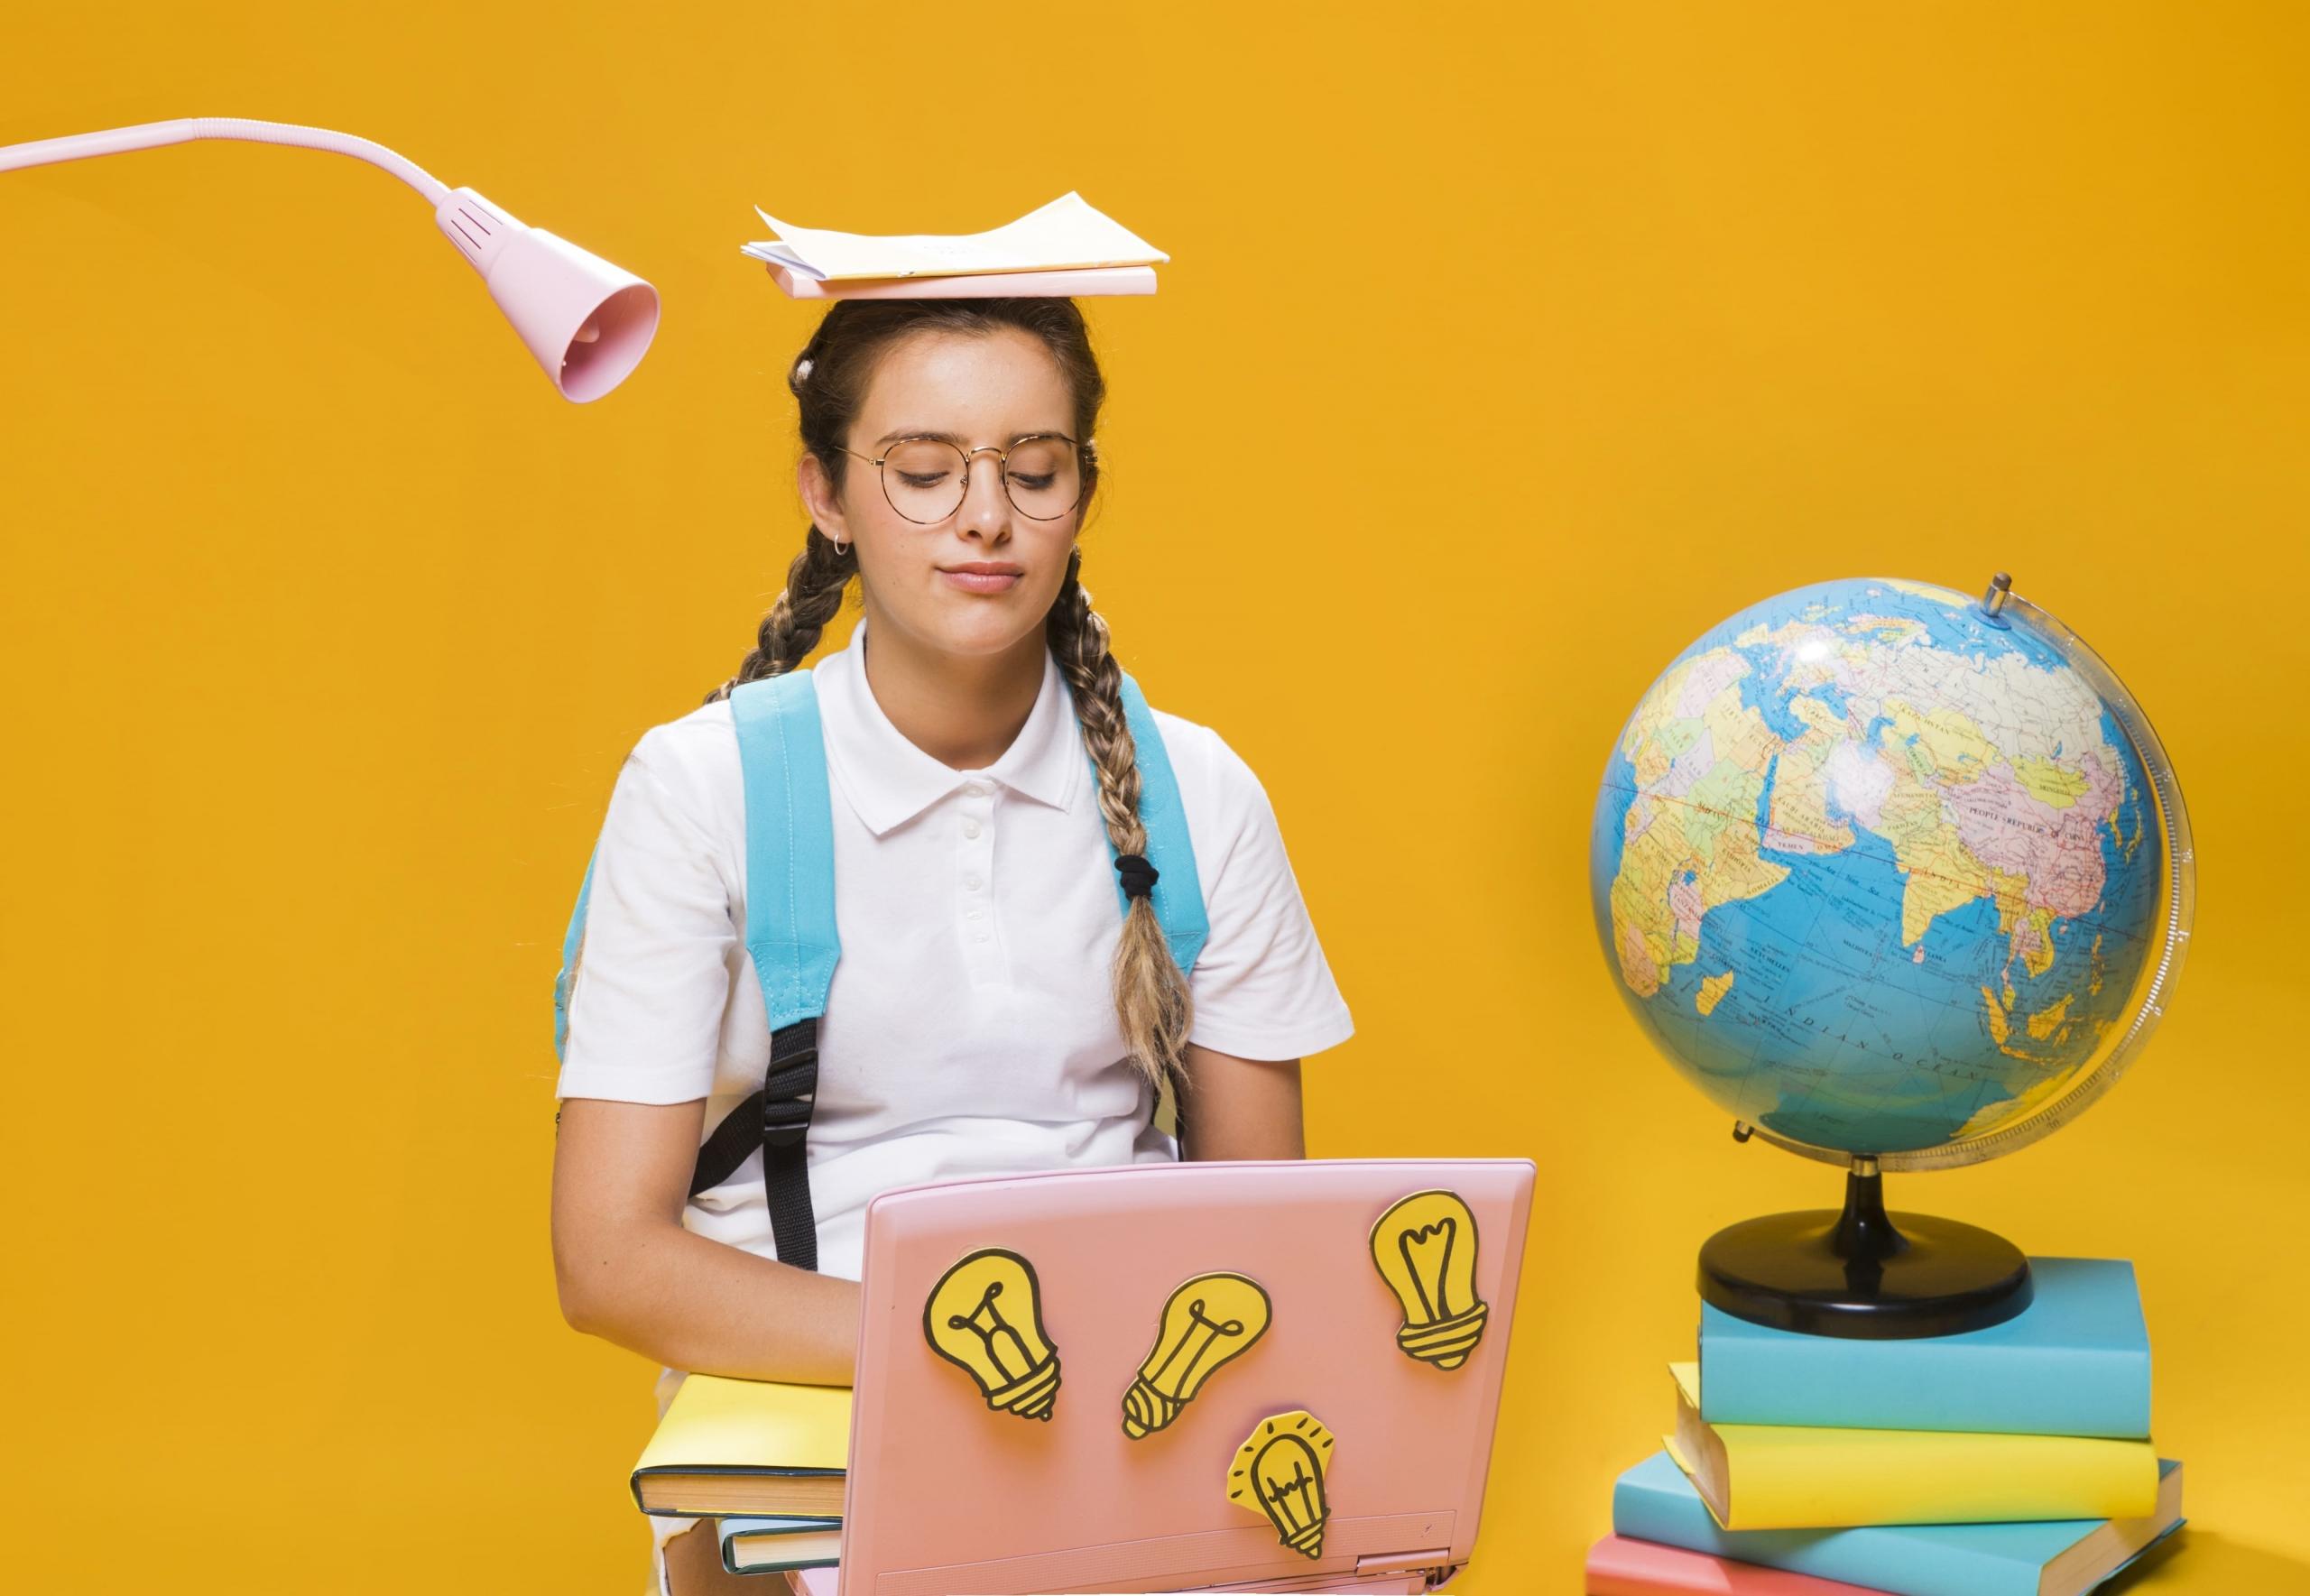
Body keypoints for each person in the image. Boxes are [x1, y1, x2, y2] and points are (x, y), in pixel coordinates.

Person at [547, 295, 1354, 1596]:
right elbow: (607, 1258)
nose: (985, 516)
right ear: (826, 491)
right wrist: (964, 1347)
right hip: (815, 1438)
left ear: (1081, 492)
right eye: (923, 473)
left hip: (1142, 1417)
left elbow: (1258, 1226)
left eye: (1032, 470)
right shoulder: (703, 789)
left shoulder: (1198, 793)